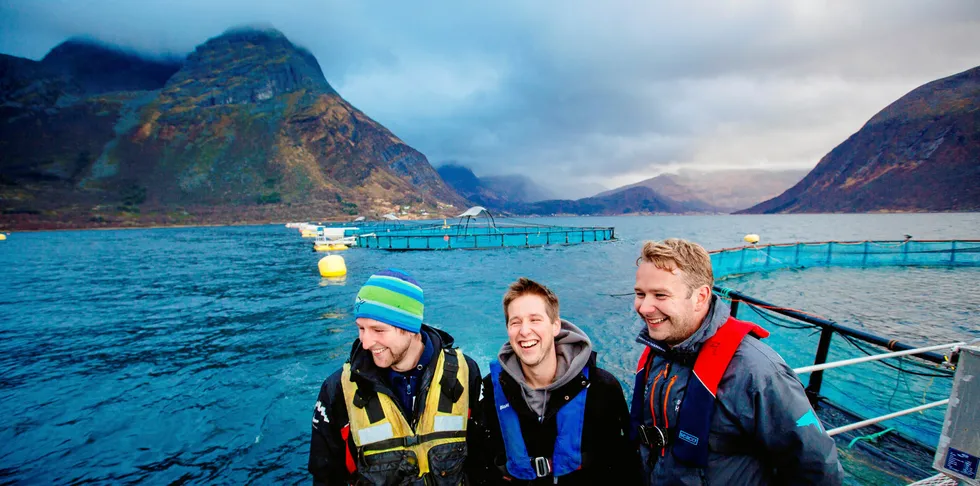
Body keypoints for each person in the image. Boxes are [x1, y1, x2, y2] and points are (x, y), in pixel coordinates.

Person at [629, 239, 844, 485]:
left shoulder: (757, 371)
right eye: (640, 294)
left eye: (660, 295)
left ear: (700, 297)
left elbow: (815, 466)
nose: (645, 307)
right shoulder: (661, 351)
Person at [308, 268, 483, 485]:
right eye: (361, 328)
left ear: (410, 328)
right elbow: (326, 476)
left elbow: (482, 461)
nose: (366, 342)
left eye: (378, 330)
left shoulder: (466, 373)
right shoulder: (338, 389)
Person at [480, 277, 641, 485]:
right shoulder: (493, 391)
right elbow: (482, 462)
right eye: (515, 322)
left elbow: (624, 463)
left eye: (535, 319)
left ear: (556, 326)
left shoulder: (601, 388)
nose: (524, 331)